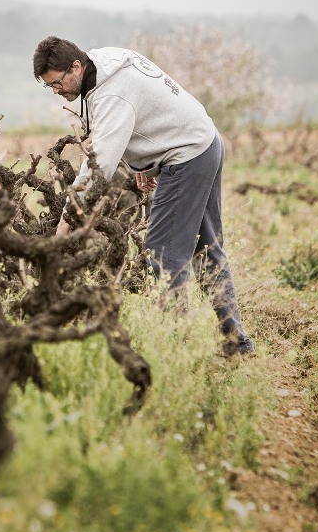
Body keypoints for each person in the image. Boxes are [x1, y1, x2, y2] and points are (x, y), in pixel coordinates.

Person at [32, 35, 254, 357]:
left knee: (162, 253)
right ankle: (237, 343)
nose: (56, 92)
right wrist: (145, 164)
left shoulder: (111, 93)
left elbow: (99, 166)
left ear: (76, 67)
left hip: (187, 155)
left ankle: (172, 349)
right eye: (49, 87)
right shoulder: (105, 61)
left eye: (56, 83)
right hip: (204, 141)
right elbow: (145, 112)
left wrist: (65, 223)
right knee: (206, 250)